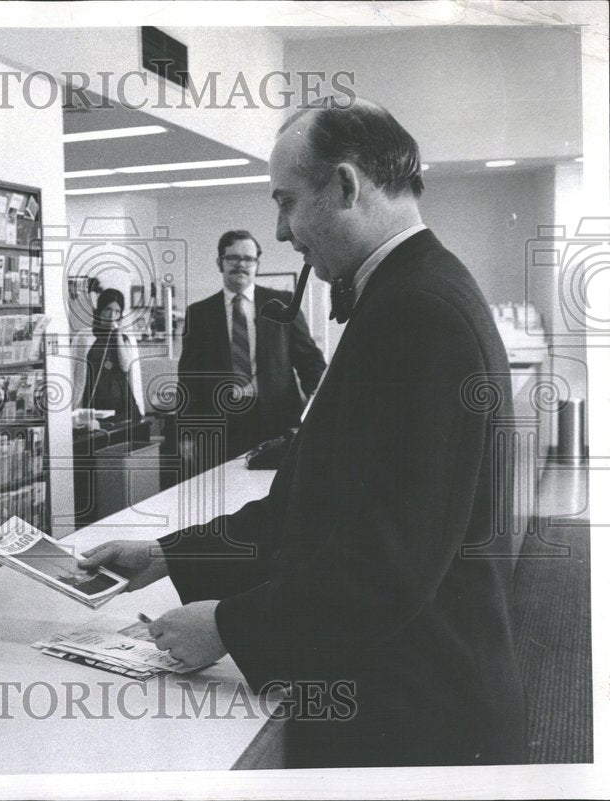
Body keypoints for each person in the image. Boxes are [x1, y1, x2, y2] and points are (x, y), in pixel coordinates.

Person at [81, 100, 527, 768]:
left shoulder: (418, 314)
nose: (283, 232)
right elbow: (311, 509)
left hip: (419, 723)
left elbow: (389, 564)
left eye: (287, 203)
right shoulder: (410, 293)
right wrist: (169, 555)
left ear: (346, 186)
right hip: (409, 700)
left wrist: (230, 626)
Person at [176, 230, 325, 470]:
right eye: (233, 258)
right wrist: (186, 433)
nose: (241, 265)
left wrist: (321, 404)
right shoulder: (199, 313)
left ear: (257, 264)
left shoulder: (283, 304)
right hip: (222, 425)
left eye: (249, 259)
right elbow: (188, 379)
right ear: (220, 263)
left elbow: (309, 361)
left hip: (277, 420)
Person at [71, 288, 146, 425]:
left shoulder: (125, 338)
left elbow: (125, 367)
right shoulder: (85, 337)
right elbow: (74, 371)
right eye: (108, 310)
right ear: (99, 311)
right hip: (94, 399)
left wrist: (117, 334)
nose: (112, 315)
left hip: (121, 403)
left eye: (117, 312)